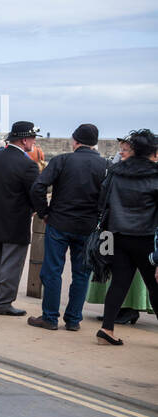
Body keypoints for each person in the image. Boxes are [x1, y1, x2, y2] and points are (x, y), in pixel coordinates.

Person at [28, 123, 108, 331]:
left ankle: (50, 317)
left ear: (75, 141)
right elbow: (109, 197)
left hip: (59, 223)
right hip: (88, 226)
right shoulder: (105, 165)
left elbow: (38, 186)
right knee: (81, 274)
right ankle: (73, 320)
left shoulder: (63, 160)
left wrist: (44, 212)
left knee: (52, 271)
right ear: (95, 143)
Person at [96, 129, 158, 344]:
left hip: (117, 236)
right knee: (154, 286)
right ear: (154, 152)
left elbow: (102, 200)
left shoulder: (116, 171)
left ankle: (107, 329)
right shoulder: (155, 175)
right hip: (146, 239)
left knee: (119, 283)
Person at [0, 121, 40, 316]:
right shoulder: (28, 165)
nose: (34, 142)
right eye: (32, 138)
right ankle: (3, 302)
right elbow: (35, 194)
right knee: (11, 264)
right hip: (16, 220)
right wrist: (37, 209)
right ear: (24, 140)